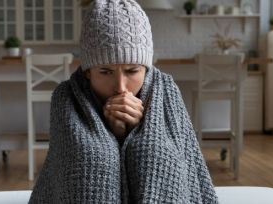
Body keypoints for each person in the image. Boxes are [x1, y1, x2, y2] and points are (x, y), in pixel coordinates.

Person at [29, 0, 218, 203]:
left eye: (132, 71)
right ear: (87, 72)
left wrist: (135, 130)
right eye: (105, 71)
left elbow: (185, 166)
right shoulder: (66, 98)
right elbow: (71, 169)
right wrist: (114, 132)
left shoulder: (165, 91)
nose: (120, 86)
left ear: (146, 69)